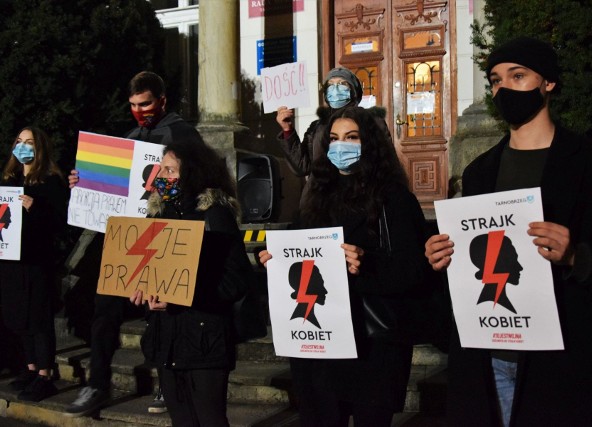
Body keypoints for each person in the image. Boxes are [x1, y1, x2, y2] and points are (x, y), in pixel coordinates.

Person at [425, 37, 592, 426]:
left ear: (548, 83)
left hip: (563, 364)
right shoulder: (479, 173)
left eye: (518, 75)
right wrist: (442, 258)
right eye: (494, 80)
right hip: (487, 360)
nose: (503, 87)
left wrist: (577, 255)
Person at [260, 106, 431, 426]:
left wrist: (367, 264)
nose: (341, 146)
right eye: (334, 139)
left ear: (370, 143)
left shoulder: (395, 200)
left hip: (373, 346)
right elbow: (299, 258)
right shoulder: (314, 201)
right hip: (319, 346)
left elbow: (415, 271)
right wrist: (277, 261)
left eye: (352, 137)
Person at [64, 71, 205, 417]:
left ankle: (165, 384)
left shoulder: (185, 135)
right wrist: (83, 184)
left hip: (164, 235)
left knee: (158, 311)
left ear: (162, 101)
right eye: (133, 105)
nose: (140, 110)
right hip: (124, 238)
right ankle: (97, 384)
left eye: (146, 103)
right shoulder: (128, 138)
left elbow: (199, 181)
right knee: (104, 308)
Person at [130, 139, 252, 426]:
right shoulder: (156, 216)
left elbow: (237, 280)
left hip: (204, 340)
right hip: (166, 339)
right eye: (161, 171)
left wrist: (185, 296)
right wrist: (140, 289)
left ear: (193, 173)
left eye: (170, 171)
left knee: (209, 420)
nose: (162, 177)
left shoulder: (215, 216)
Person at [0, 126, 67, 401]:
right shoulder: (9, 178)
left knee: (39, 318)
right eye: (19, 141)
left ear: (39, 148)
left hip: (38, 261)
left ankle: (44, 375)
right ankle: (29, 368)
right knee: (19, 316)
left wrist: (34, 208)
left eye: (29, 142)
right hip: (12, 260)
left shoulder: (51, 181)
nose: (23, 146)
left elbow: (60, 224)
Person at [276, 67, 390, 178]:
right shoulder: (316, 127)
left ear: (354, 90)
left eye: (342, 84)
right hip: (323, 193)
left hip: (363, 192)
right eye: (330, 85)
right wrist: (287, 130)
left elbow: (386, 164)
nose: (335, 88)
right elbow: (301, 167)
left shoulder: (373, 122)